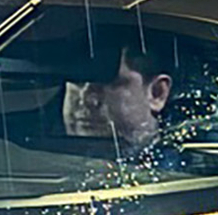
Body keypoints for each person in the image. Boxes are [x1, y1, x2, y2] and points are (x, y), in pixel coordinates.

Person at [59, 21, 180, 164]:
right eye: (76, 82)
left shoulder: (187, 175)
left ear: (157, 93)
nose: (86, 99)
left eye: (106, 83)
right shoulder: (47, 168)